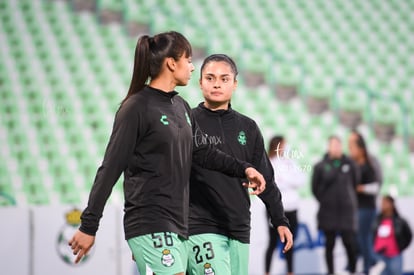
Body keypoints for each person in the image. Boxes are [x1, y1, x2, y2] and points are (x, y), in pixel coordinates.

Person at [67, 32, 266, 275]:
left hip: (179, 227)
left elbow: (202, 152)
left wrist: (244, 168)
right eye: (188, 60)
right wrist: (89, 226)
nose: (193, 67)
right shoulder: (136, 107)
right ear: (172, 63)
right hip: (150, 219)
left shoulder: (180, 106)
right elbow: (110, 168)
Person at [186, 54, 293, 275]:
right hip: (199, 226)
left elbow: (266, 179)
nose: (217, 83)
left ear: (235, 84)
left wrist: (280, 219)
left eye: (224, 79)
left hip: (239, 227)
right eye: (210, 77)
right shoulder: (187, 122)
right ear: (200, 82)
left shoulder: (249, 127)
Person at [311, 136, 359, 275]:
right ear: (328, 147)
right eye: (333, 145)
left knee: (349, 243)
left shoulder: (350, 164)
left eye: (338, 145)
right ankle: (330, 272)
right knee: (329, 245)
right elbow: (315, 189)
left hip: (346, 212)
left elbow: (356, 182)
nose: (336, 148)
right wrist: (326, 200)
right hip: (328, 212)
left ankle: (353, 270)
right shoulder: (320, 166)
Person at [265, 135, 306, 275]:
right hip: (276, 209)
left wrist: (286, 180)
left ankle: (290, 272)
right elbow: (274, 183)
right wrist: (289, 181)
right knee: (272, 242)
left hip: (292, 208)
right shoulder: (270, 162)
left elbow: (301, 180)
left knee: (290, 243)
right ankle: (267, 272)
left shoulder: (290, 162)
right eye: (283, 145)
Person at [349, 130, 383, 274]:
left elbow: (376, 186)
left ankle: (372, 263)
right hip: (357, 207)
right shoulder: (353, 164)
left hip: (366, 207)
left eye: (352, 146)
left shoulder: (369, 164)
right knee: (359, 239)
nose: (350, 150)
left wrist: (361, 188)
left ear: (361, 148)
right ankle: (368, 266)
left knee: (363, 238)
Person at [370, 195, 412, 275]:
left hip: (394, 255)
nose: (382, 205)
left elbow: (408, 236)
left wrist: (401, 247)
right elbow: (372, 235)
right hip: (379, 256)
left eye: (385, 203)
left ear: (391, 204)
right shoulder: (376, 220)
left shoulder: (400, 221)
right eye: (382, 203)